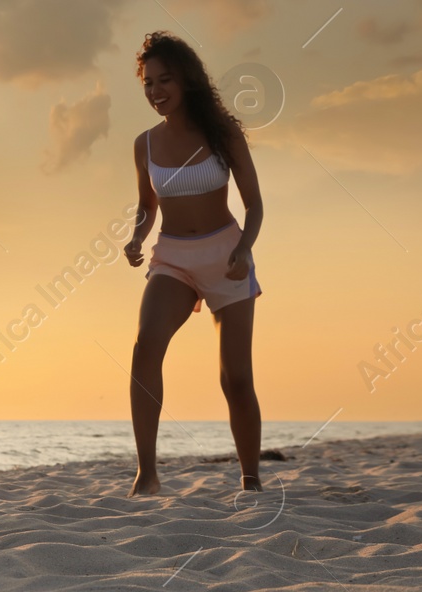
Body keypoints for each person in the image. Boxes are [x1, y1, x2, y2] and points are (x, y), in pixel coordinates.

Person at [124, 31, 266, 496]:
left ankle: (250, 480)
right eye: (148, 83)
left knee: (236, 379)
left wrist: (244, 249)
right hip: (173, 257)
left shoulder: (223, 132)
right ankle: (147, 474)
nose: (156, 91)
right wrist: (137, 235)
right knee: (146, 346)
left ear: (186, 80)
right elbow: (147, 205)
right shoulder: (144, 144)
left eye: (164, 80)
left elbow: (255, 205)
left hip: (226, 255)